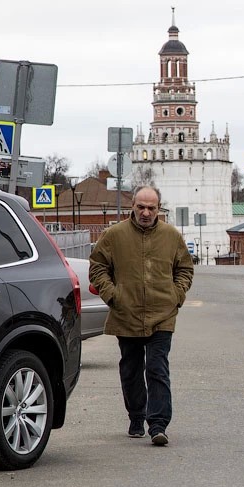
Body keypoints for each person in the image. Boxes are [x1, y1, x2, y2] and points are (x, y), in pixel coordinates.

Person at [89, 185, 194, 446]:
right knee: (131, 369)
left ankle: (158, 424)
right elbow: (97, 267)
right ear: (132, 207)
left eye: (152, 208)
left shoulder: (171, 236)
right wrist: (113, 296)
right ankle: (136, 416)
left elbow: (185, 269)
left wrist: (176, 296)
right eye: (141, 207)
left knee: (157, 367)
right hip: (127, 313)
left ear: (159, 209)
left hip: (162, 313)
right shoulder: (114, 235)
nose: (146, 212)